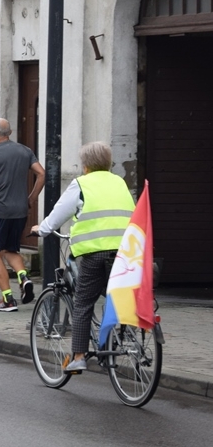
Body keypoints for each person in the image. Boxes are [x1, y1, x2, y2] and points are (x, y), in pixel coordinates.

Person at [31, 142, 135, 372]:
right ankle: (123, 337)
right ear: (108, 163)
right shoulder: (120, 182)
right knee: (119, 294)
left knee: (83, 303)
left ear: (86, 165)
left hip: (95, 252)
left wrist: (43, 228)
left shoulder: (81, 184)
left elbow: (58, 213)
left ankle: (79, 356)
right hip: (125, 253)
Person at [0, 118, 45, 312]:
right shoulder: (25, 151)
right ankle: (23, 277)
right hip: (20, 211)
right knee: (9, 249)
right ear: (10, 132)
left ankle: (7, 300)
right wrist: (31, 199)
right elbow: (41, 173)